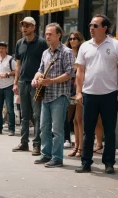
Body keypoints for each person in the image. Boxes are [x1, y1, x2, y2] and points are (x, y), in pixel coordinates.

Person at [75, 14, 117, 174]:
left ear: (104, 27)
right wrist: (79, 92)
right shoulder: (85, 46)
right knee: (88, 131)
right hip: (89, 94)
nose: (91, 28)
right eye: (90, 25)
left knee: (109, 130)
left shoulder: (115, 45)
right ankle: (86, 162)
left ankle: (109, 163)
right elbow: (80, 71)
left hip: (110, 94)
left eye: (95, 26)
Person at [32, 23, 75, 168]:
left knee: (57, 130)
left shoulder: (66, 52)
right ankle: (46, 154)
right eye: (46, 34)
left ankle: (57, 158)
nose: (47, 36)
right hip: (46, 96)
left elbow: (69, 74)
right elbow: (40, 70)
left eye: (50, 34)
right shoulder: (45, 53)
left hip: (59, 95)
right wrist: (35, 79)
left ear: (58, 35)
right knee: (44, 127)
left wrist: (50, 81)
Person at [12, 17, 48, 155]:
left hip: (36, 84)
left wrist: (42, 80)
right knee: (24, 115)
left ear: (33, 27)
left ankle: (37, 144)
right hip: (22, 82)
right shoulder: (19, 43)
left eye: (27, 25)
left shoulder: (41, 43)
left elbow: (46, 63)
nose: (24, 28)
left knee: (37, 115)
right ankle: (24, 143)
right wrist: (15, 82)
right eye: (22, 25)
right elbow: (18, 64)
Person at [64, 31, 85, 157]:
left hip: (79, 87)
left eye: (75, 38)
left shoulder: (82, 53)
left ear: (79, 40)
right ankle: (75, 145)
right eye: (71, 39)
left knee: (79, 119)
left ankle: (80, 147)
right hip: (68, 88)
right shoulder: (67, 53)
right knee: (71, 120)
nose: (72, 41)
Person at [0, 42, 16, 136]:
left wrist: (7, 74)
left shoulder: (11, 59)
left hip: (8, 86)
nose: (0, 50)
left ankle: (11, 129)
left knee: (10, 108)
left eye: (2, 48)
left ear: (6, 49)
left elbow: (16, 71)